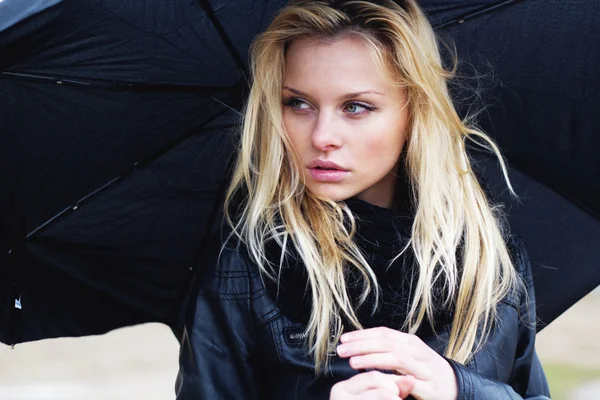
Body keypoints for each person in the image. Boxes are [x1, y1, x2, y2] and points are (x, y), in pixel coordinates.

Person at [175, 0, 550, 398]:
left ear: (414, 111)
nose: (321, 137)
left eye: (356, 107)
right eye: (298, 103)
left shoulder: (487, 254)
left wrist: (461, 390)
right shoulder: (249, 261)